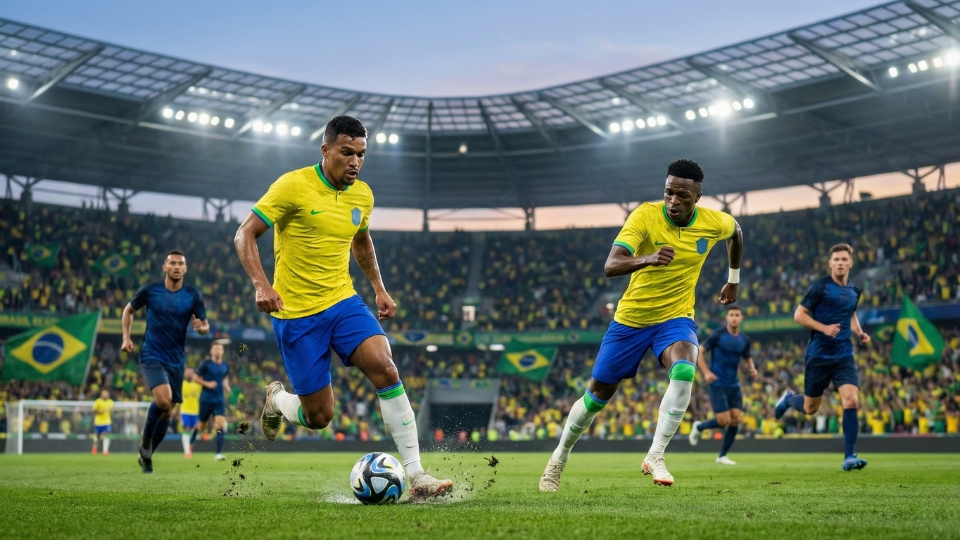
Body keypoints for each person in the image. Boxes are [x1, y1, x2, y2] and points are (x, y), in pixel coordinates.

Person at [234, 115, 452, 497]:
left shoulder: (362, 194)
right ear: (326, 150)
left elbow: (361, 241)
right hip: (297, 314)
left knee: (385, 366)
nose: (355, 162)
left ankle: (418, 475)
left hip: (342, 301)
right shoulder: (293, 185)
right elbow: (244, 233)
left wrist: (379, 289)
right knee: (319, 417)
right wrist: (260, 284)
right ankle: (278, 399)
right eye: (347, 153)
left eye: (361, 155)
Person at [540, 158, 743, 491]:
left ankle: (656, 454)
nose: (673, 201)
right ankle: (558, 459)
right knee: (596, 397)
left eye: (682, 196)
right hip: (631, 321)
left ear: (698, 198)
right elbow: (611, 264)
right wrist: (648, 258)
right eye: (668, 193)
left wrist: (733, 279)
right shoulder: (645, 215)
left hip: (676, 317)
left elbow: (736, 232)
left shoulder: (713, 223)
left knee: (685, 368)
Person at [775, 243, 870, 471]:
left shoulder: (855, 290)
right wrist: (823, 328)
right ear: (830, 263)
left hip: (844, 355)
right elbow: (799, 315)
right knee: (810, 409)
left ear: (850, 263)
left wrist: (859, 332)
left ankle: (849, 456)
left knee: (852, 400)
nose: (839, 263)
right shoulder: (820, 287)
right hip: (819, 354)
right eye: (836, 259)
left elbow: (852, 314)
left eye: (843, 259)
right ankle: (788, 399)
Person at [122, 250, 209, 474]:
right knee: (163, 401)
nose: (177, 266)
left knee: (168, 412)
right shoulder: (150, 291)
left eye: (181, 263)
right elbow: (128, 310)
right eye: (172, 263)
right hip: (152, 354)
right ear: (165, 268)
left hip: (176, 360)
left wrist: (202, 328)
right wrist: (126, 337)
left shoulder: (192, 295)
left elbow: (205, 325)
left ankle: (147, 454)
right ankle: (145, 442)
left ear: (185, 269)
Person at [688, 307, 758, 464]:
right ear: (727, 318)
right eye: (731, 315)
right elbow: (700, 352)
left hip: (733, 383)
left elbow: (747, 358)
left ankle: (722, 456)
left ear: (741, 318)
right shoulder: (718, 335)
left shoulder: (744, 339)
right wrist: (706, 373)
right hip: (717, 382)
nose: (734, 318)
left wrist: (752, 369)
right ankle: (699, 427)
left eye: (737, 315)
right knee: (723, 420)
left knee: (735, 419)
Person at [190, 341, 231, 461]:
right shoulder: (206, 364)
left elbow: (225, 377)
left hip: (219, 398)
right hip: (206, 398)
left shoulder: (225, 365)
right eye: (216, 349)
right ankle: (194, 435)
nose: (218, 351)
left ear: (222, 351)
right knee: (202, 426)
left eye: (220, 349)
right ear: (211, 351)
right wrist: (207, 383)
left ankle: (218, 454)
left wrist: (226, 385)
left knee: (220, 424)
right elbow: (195, 377)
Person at [180, 367, 202, 459]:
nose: (189, 374)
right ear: (185, 374)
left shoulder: (198, 385)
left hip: (196, 412)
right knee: (187, 428)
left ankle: (190, 445)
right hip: (185, 411)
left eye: (190, 373)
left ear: (193, 374)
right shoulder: (181, 384)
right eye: (187, 373)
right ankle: (187, 452)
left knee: (195, 430)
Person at [91, 389, 113, 456]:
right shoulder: (98, 401)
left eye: (107, 394)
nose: (106, 395)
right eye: (104, 394)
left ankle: (105, 451)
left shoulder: (110, 402)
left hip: (107, 422)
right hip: (98, 422)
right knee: (97, 436)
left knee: (107, 434)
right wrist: (99, 412)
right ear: (102, 394)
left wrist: (111, 412)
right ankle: (94, 448)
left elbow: (111, 411)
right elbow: (93, 411)